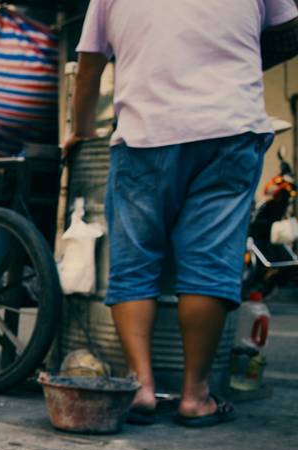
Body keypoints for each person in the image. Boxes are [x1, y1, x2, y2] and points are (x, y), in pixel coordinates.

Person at [67, 0, 298, 427]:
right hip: (228, 130)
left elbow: (88, 68)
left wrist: (82, 129)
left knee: (135, 263)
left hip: (145, 135)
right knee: (208, 263)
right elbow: (288, 30)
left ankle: (141, 387)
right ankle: (196, 395)